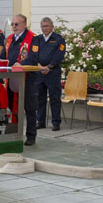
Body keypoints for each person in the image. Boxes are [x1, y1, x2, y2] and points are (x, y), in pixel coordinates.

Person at [4, 14, 39, 146]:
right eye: (12, 24)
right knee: (12, 106)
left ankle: (31, 136)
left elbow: (34, 58)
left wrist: (22, 64)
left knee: (29, 108)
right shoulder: (9, 39)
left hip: (28, 79)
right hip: (11, 78)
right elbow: (4, 56)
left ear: (24, 24)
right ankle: (14, 133)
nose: (14, 27)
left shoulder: (33, 38)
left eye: (16, 24)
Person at [35, 17, 66, 131]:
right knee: (40, 98)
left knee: (54, 99)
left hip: (52, 73)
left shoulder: (58, 39)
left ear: (52, 27)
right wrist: (39, 66)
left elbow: (59, 55)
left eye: (47, 26)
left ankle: (56, 123)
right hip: (39, 73)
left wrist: (49, 67)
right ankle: (41, 122)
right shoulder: (37, 39)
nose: (45, 28)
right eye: (43, 26)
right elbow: (33, 53)